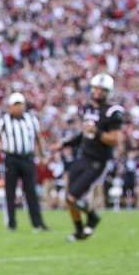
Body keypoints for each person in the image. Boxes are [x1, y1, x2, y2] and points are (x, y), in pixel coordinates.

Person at [51, 73, 125, 241]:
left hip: (98, 160)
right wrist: (63, 144)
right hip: (83, 156)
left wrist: (97, 132)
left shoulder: (113, 112)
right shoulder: (89, 108)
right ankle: (80, 230)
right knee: (69, 199)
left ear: (109, 92)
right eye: (95, 88)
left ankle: (91, 217)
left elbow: (115, 140)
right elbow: (83, 135)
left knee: (73, 197)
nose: (98, 92)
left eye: (102, 90)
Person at [0, 92, 48, 231]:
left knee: (31, 191)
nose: (18, 108)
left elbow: (39, 137)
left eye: (20, 105)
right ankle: (11, 224)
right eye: (15, 105)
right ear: (10, 107)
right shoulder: (4, 121)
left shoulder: (31, 119)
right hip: (11, 158)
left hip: (27, 158)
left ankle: (37, 223)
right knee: (10, 192)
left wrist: (43, 155)